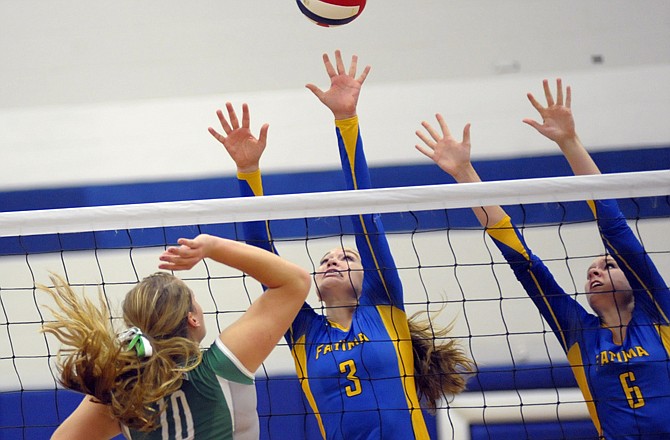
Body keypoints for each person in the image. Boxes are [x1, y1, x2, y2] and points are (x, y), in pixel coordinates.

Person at [209, 50, 473, 440]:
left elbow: (364, 213)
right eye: (325, 259)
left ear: (367, 273)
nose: (332, 261)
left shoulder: (384, 308)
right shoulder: (302, 330)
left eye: (346, 256)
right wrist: (248, 172)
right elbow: (262, 257)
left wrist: (346, 121)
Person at [415, 79, 670, 439]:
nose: (595, 271)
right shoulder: (578, 332)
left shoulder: (659, 312)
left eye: (608, 266)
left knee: (616, 234)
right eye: (591, 270)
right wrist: (464, 176)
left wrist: (569, 142)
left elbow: (614, 227)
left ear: (633, 280)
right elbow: (524, 263)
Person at [41, 234, 311, 439]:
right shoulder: (223, 367)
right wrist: (210, 246)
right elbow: (295, 281)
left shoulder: (122, 393)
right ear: (192, 318)